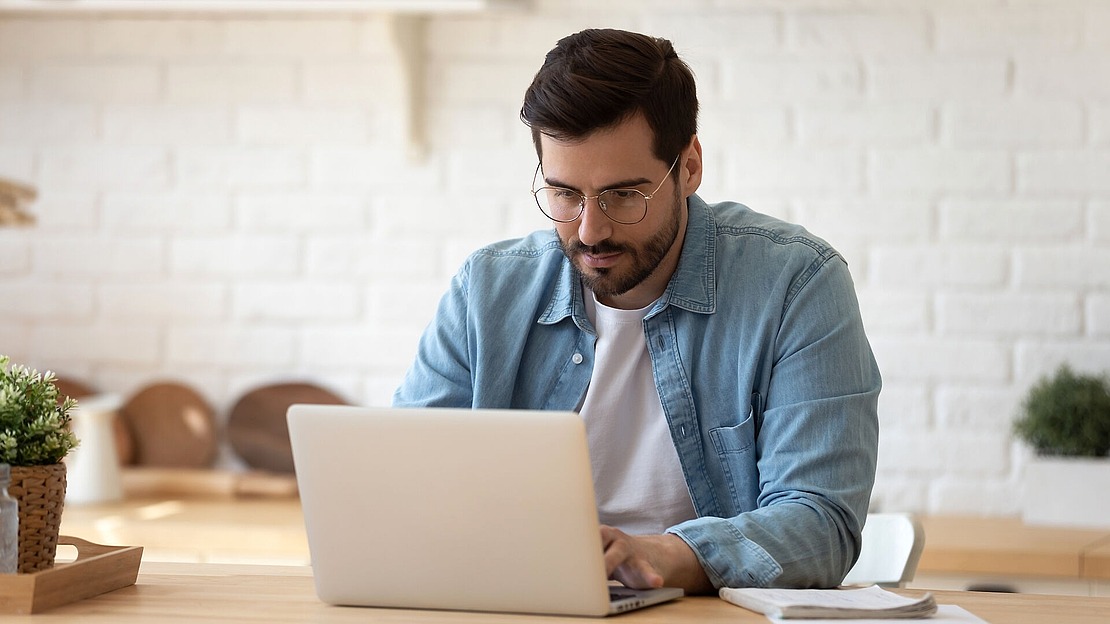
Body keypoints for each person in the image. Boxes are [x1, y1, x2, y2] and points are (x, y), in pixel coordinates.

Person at [393, 28, 880, 593]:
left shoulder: (796, 284)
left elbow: (821, 524)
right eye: (565, 194)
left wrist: (662, 554)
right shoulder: (486, 291)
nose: (590, 229)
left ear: (690, 166)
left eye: (625, 194)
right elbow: (407, 487)